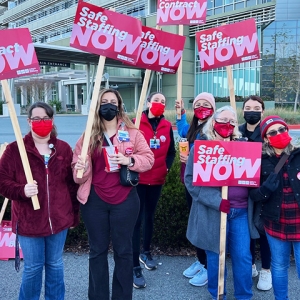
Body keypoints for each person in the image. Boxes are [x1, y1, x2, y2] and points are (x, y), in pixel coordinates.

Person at [73, 88, 154, 300]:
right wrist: (80, 167)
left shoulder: (133, 133)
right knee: (97, 251)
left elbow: (149, 159)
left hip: (125, 200)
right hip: (94, 201)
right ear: (97, 107)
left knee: (124, 252)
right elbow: (76, 175)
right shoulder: (88, 136)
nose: (108, 105)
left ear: (119, 106)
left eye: (112, 101)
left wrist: (130, 161)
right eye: (104, 101)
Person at [0, 102, 79, 300]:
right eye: (36, 119)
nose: (41, 122)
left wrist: (73, 217)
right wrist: (22, 190)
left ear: (51, 121)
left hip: (59, 221)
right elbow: (2, 182)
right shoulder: (15, 150)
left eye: (45, 118)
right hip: (29, 223)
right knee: (33, 269)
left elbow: (71, 185)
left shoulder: (62, 148)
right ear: (29, 121)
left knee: (55, 265)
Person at [185, 106, 257, 300]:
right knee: (215, 257)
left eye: (232, 121)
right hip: (213, 212)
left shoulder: (245, 146)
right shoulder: (201, 148)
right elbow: (191, 181)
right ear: (213, 121)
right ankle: (218, 295)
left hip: (240, 211)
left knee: (243, 257)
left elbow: (252, 175)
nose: (228, 124)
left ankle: (244, 295)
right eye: (223, 119)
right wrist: (216, 201)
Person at [249, 115, 300, 300]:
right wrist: (265, 190)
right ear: (265, 138)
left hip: (299, 222)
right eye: (273, 132)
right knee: (279, 267)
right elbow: (253, 195)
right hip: (275, 223)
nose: (279, 134)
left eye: (282, 129)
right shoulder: (259, 160)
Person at [132, 91, 176, 289]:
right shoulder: (135, 123)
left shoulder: (167, 126)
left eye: (163, 101)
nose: (159, 103)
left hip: (157, 180)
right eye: (156, 100)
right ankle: (133, 261)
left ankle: (146, 251)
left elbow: (172, 151)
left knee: (149, 217)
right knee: (136, 219)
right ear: (148, 102)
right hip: (138, 180)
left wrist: (167, 166)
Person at [175, 92, 216, 287]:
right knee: (196, 223)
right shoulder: (195, 128)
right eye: (198, 104)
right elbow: (182, 130)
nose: (201, 107)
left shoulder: (214, 130)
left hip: (205, 186)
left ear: (213, 108)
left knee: (204, 225)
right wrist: (180, 113)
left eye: (205, 104)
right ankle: (201, 261)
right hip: (191, 183)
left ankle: (209, 267)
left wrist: (193, 157)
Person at [239, 95, 272, 291]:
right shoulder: (236, 132)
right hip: (242, 190)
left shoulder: (267, 134)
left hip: (264, 190)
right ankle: (250, 264)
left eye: (256, 107)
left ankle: (266, 270)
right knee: (246, 229)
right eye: (248, 107)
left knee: (263, 230)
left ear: (262, 111)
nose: (252, 110)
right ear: (243, 111)